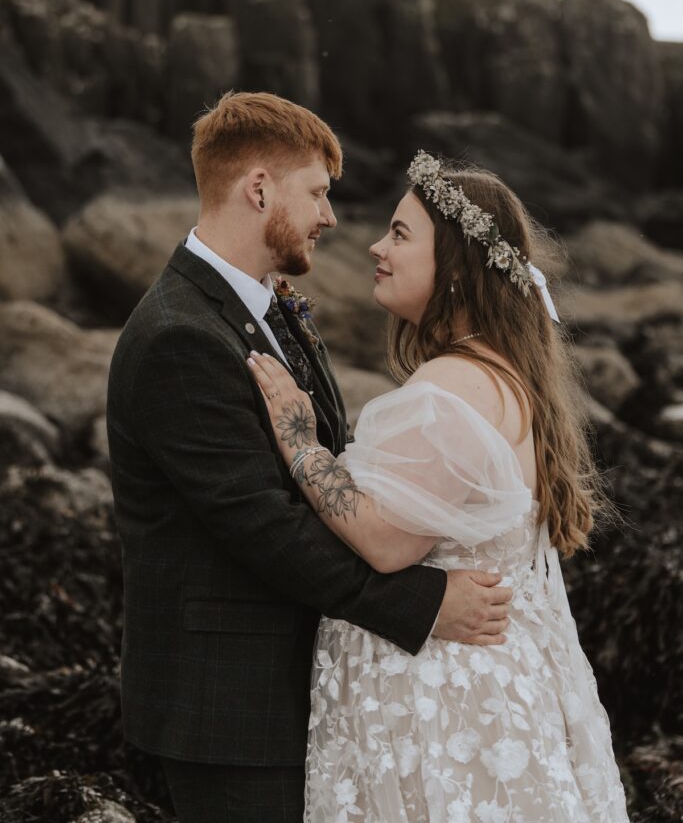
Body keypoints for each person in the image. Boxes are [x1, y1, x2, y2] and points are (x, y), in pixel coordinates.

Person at [106, 95, 514, 823]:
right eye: (318, 192)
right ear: (259, 189)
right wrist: (422, 605)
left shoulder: (265, 307)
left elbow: (329, 461)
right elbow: (262, 526)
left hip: (288, 685)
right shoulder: (178, 338)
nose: (330, 218)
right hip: (230, 706)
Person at [248, 150, 630, 823]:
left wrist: (301, 444)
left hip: (436, 699)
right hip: (484, 687)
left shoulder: (451, 388)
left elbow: (386, 542)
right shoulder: (504, 374)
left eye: (399, 234)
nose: (374, 245)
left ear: (453, 266)